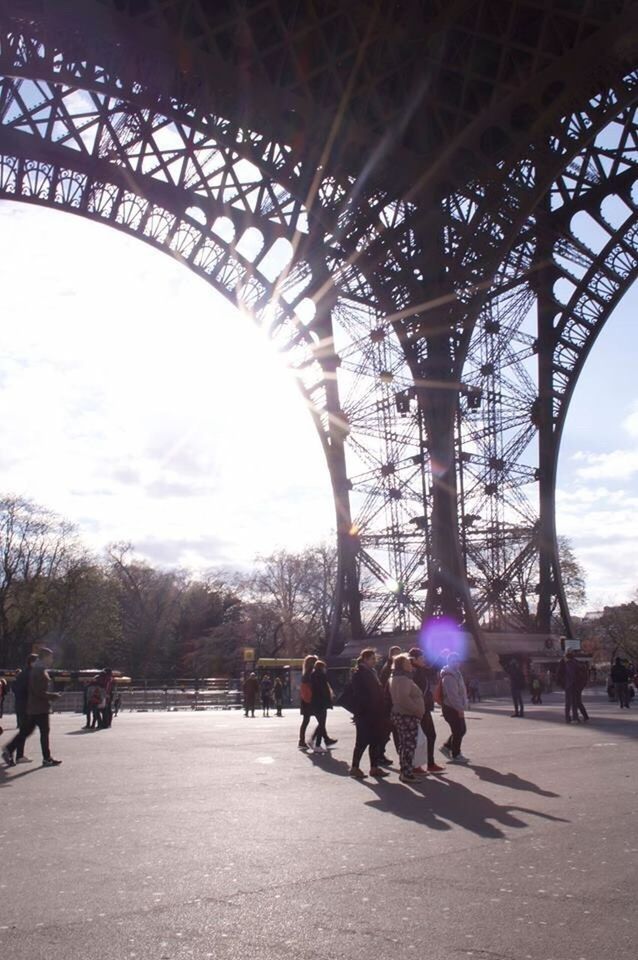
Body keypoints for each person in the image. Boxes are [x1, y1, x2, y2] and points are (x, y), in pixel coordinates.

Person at [2, 647, 62, 768]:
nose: (52, 659)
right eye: (50, 657)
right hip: (40, 707)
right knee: (43, 732)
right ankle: (46, 758)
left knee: (26, 731)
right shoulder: (39, 671)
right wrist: (52, 696)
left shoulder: (38, 670)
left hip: (35, 707)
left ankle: (10, 748)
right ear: (45, 657)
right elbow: (38, 691)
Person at [349, 648, 389, 780]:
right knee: (362, 741)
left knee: (375, 740)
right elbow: (362, 695)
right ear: (365, 659)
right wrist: (370, 706)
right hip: (365, 713)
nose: (374, 661)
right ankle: (355, 767)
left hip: (375, 712)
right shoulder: (359, 673)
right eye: (372, 659)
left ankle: (374, 767)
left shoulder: (372, 672)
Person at [389, 653, 426, 783]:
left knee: (405, 744)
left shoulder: (396, 678)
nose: (411, 665)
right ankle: (407, 772)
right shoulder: (403, 680)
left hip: (401, 715)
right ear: (403, 665)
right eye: (408, 663)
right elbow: (404, 698)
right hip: (407, 716)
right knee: (409, 745)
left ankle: (405, 771)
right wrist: (417, 711)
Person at [408, 647, 444, 773]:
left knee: (427, 736)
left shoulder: (419, 670)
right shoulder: (414, 672)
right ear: (415, 659)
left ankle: (427, 763)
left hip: (424, 707)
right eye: (422, 658)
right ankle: (418, 764)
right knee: (423, 736)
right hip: (420, 708)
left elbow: (432, 670)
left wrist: (440, 657)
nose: (424, 660)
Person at [439, 651, 470, 764]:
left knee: (461, 730)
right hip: (451, 707)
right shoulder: (448, 676)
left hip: (455, 707)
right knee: (458, 730)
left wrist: (464, 703)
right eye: (453, 661)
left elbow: (461, 691)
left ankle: (447, 746)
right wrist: (459, 709)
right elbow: (452, 695)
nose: (456, 663)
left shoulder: (457, 673)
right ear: (449, 662)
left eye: (457, 661)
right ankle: (456, 754)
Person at [309, 660, 336, 752]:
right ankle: (317, 745)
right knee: (322, 724)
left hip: (315, 702)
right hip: (322, 703)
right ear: (321, 667)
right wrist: (329, 700)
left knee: (321, 723)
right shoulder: (322, 676)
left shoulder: (312, 675)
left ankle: (313, 740)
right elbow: (324, 690)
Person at [298, 654, 317, 747]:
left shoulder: (305, 674)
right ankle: (313, 739)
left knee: (306, 720)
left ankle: (301, 740)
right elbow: (312, 687)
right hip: (311, 700)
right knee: (321, 720)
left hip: (305, 700)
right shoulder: (311, 674)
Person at [556, 649, 579, 723]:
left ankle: (568, 717)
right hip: (572, 683)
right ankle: (574, 717)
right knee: (573, 702)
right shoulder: (574, 661)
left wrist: (562, 683)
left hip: (568, 684)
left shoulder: (564, 661)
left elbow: (559, 673)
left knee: (569, 702)